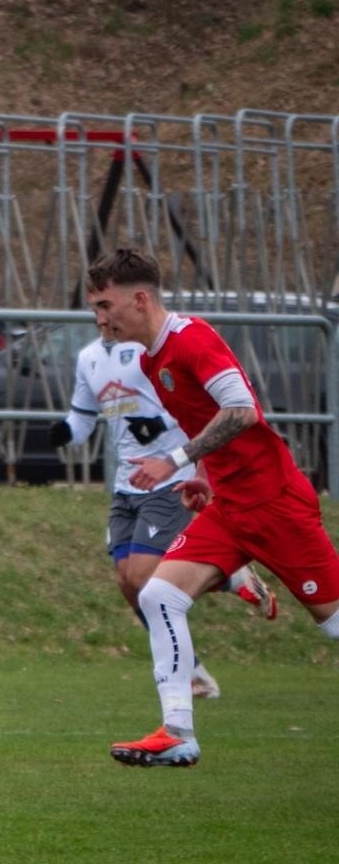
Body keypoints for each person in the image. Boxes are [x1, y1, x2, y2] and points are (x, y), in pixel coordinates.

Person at [87, 247, 339, 767]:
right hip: (228, 508)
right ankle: (178, 731)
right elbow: (205, 419)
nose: (100, 318)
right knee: (158, 595)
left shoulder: (192, 341)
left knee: (334, 621)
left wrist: (175, 461)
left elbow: (243, 411)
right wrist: (203, 475)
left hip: (274, 505)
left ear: (139, 299)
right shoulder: (154, 358)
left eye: (105, 305)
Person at [50, 314, 279, 701]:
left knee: (142, 577)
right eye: (97, 307)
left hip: (170, 477)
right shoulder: (88, 357)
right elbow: (82, 419)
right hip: (127, 484)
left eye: (108, 304)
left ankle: (228, 578)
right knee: (128, 583)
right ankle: (195, 670)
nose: (104, 316)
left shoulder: (146, 351)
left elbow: (187, 408)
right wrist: (62, 432)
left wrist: (167, 439)